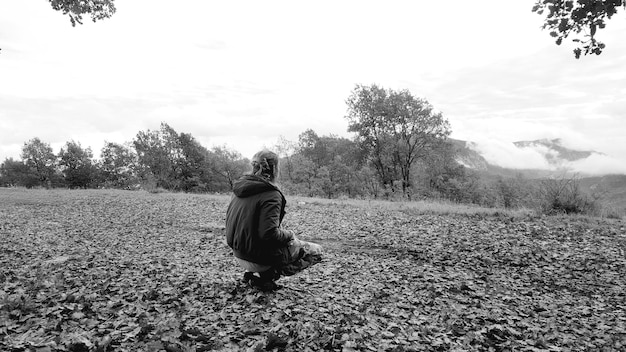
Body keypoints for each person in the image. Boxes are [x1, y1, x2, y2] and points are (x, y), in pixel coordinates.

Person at [225, 149, 323, 291]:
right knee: (317, 251)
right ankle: (268, 276)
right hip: (257, 258)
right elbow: (269, 234)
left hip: (239, 254)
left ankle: (251, 274)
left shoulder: (240, 187)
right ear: (275, 169)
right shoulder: (271, 193)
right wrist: (289, 234)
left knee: (279, 241)